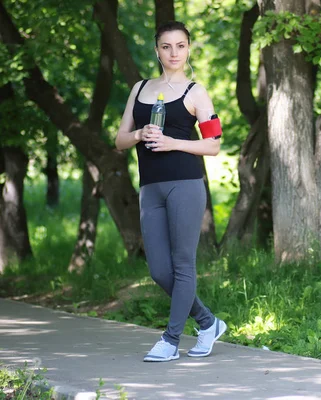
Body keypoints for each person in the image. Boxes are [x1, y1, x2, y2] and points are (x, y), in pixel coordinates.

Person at [115, 21, 226, 362]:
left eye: (180, 46)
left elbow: (214, 145)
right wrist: (139, 135)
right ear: (157, 50)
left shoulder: (196, 92)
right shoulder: (140, 89)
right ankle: (208, 323)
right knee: (159, 270)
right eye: (166, 46)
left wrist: (172, 141)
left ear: (188, 48)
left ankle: (171, 339)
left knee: (182, 265)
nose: (174, 53)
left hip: (185, 185)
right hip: (150, 189)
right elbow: (120, 139)